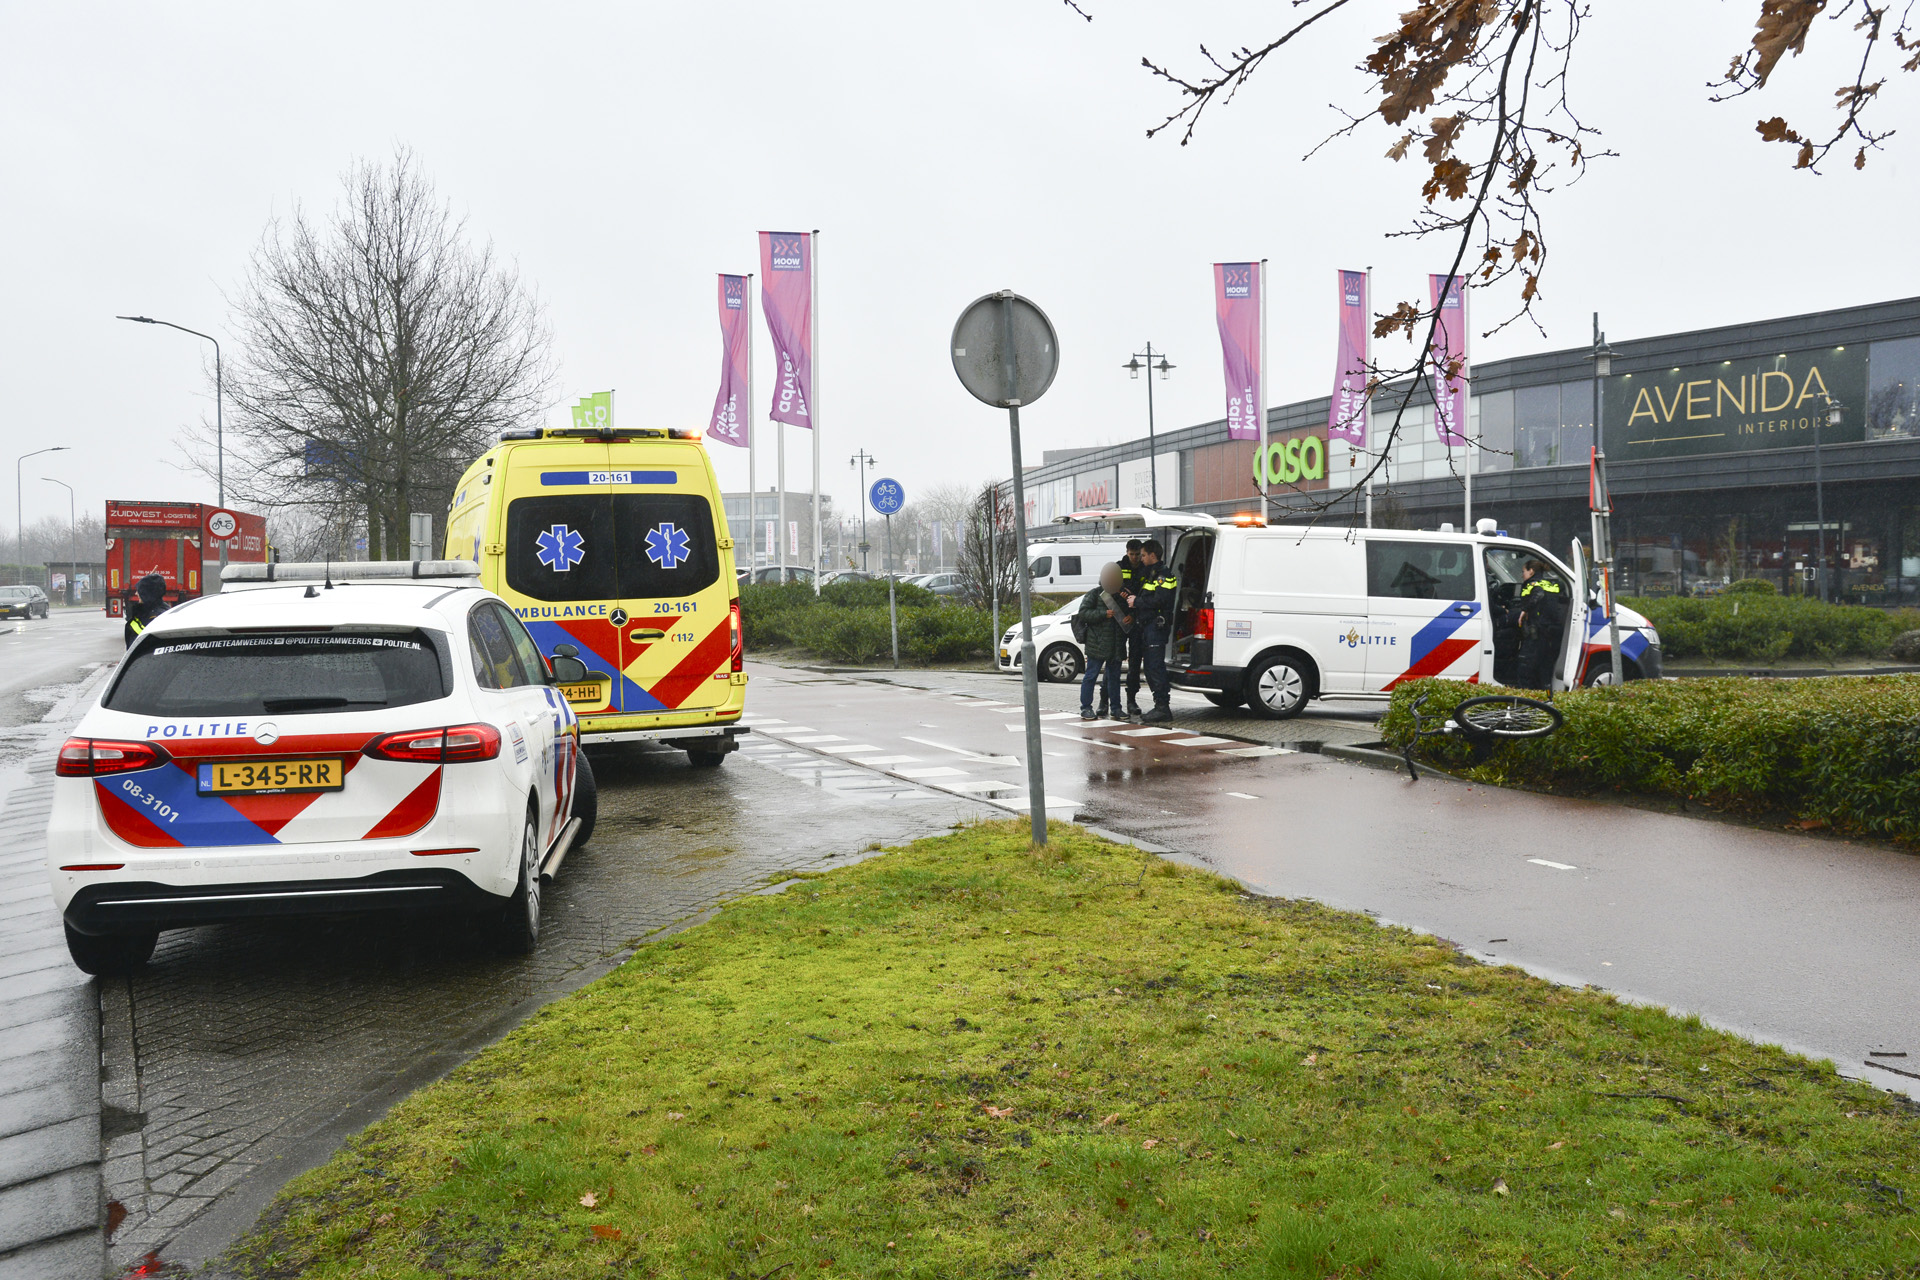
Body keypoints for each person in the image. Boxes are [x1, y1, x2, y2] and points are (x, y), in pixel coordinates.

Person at [1075, 563, 1131, 719]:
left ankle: (1116, 708)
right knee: (1091, 676)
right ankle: (1086, 707)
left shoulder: (1122, 596)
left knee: (1114, 678)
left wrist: (1130, 617)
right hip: (1097, 644)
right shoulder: (1094, 594)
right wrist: (1102, 614)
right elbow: (1083, 613)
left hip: (1116, 644)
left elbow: (1130, 614)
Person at [1131, 539, 1177, 723]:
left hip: (1156, 628)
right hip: (1147, 627)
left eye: (1143, 555)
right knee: (1150, 668)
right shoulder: (1151, 573)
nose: (1140, 558)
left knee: (1155, 667)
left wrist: (1137, 602)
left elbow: (1160, 601)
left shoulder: (1163, 576)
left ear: (1152, 555)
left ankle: (1163, 708)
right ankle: (1159, 705)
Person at [1513, 559, 1567, 689]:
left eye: (1523, 571)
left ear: (1531, 571)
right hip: (1549, 634)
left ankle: (1523, 699)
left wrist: (1524, 611)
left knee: (1525, 667)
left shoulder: (1531, 584)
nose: (1522, 575)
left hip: (1536, 631)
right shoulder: (1551, 584)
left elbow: (1538, 594)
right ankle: (1547, 699)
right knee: (1544, 671)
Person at [1116, 539, 1146, 717]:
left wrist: (1133, 616)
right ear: (1127, 552)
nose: (1134, 558)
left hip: (1137, 621)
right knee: (1114, 660)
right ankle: (1106, 700)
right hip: (1119, 620)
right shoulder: (1119, 568)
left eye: (1137, 554)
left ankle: (1131, 700)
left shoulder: (1146, 569)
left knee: (1135, 662)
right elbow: (1110, 588)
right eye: (1131, 554)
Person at [123, 573, 170, 649]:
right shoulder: (163, 610)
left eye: (139, 591)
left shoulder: (152, 617)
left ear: (146, 594)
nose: (136, 593)